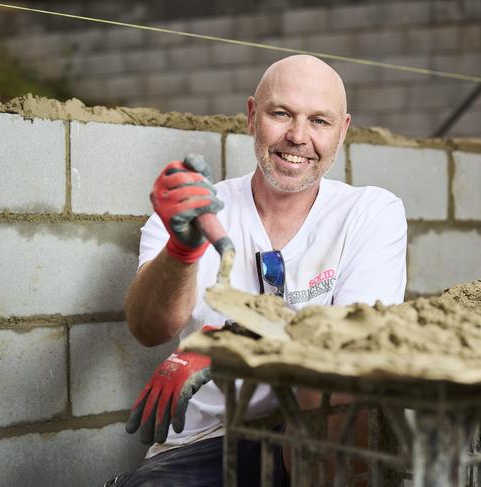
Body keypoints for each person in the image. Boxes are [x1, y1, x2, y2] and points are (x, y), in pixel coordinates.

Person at [113, 54, 407, 486]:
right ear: (252, 116)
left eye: (319, 121)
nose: (298, 137)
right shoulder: (196, 209)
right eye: (281, 114)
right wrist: (183, 248)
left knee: (333, 385)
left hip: (316, 432)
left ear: (342, 131)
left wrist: (229, 342)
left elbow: (352, 343)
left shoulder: (370, 212)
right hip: (210, 440)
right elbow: (148, 328)